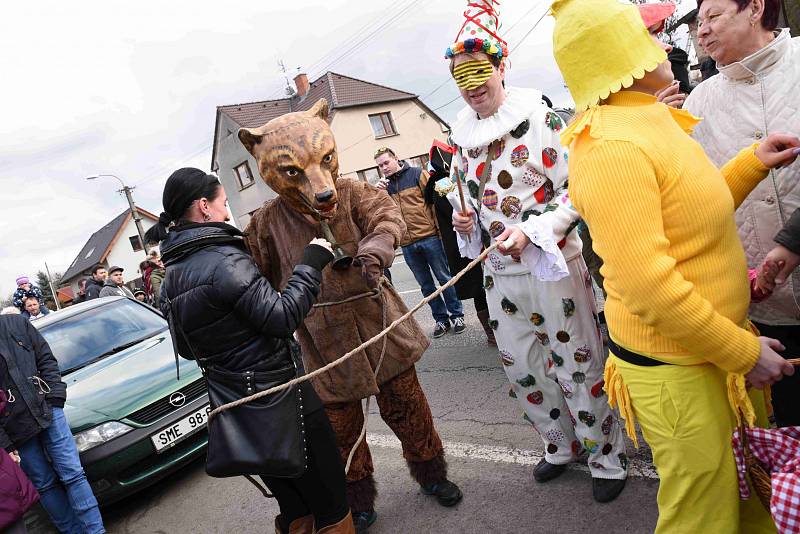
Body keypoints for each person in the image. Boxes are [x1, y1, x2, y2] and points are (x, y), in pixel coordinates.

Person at [551, 0, 799, 531]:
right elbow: (650, 287)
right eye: (646, 41)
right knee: (703, 513)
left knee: (746, 490)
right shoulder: (610, 147)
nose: (665, 45)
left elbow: (692, 212)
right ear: (622, 61)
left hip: (711, 351)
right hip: (679, 369)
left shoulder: (648, 121)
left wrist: (752, 163)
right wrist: (743, 352)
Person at [238, 100, 463, 533]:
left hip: (381, 328)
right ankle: (356, 502)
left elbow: (387, 216)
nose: (320, 184)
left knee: (409, 409)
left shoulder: (355, 193)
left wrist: (377, 249)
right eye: (295, 172)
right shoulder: (266, 224)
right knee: (341, 436)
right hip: (325, 346)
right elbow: (250, 278)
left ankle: (433, 475)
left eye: (324, 163)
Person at [446, 0, 628, 502]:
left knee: (577, 361)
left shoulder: (541, 118)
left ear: (502, 66)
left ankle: (606, 457)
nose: (472, 85)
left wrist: (534, 230)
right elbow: (471, 207)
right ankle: (558, 446)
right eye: (462, 76)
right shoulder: (461, 138)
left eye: (481, 72)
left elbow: (576, 190)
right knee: (523, 367)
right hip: (499, 274)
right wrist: (465, 224)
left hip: (553, 267)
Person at [144, 168, 353, 534]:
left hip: (236, 408)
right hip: (282, 397)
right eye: (223, 204)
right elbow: (282, 317)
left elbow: (188, 350)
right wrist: (310, 263)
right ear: (203, 207)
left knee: (293, 503)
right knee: (330, 500)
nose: (227, 212)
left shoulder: (171, 278)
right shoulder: (224, 259)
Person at [684, 0, 800, 427]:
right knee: (789, 419)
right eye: (699, 22)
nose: (702, 31)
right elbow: (695, 198)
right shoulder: (699, 103)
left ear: (754, 8)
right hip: (764, 301)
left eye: (714, 16)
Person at [0, 314, 105, 533]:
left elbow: (46, 358)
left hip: (48, 411)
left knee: (74, 474)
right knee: (45, 485)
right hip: (15, 429)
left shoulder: (17, 323)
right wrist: (6, 444)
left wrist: (55, 397)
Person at [375, 147, 466, 338]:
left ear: (396, 158)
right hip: (407, 244)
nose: (384, 168)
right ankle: (441, 320)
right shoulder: (384, 188)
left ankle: (457, 315)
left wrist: (442, 233)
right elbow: (384, 214)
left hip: (430, 236)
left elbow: (436, 202)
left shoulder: (418, 174)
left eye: (386, 163)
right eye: (380, 166)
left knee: (444, 278)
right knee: (425, 285)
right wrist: (379, 194)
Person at [424, 140, 495, 345]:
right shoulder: (443, 184)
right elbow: (457, 211)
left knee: (484, 286)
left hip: (468, 240)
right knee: (479, 288)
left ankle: (498, 329)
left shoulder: (444, 182)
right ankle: (492, 333)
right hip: (463, 242)